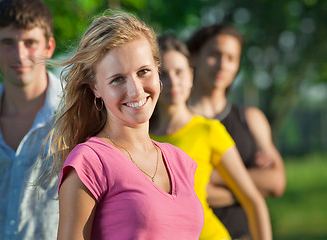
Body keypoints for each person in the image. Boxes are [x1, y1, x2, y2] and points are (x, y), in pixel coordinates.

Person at [46, 11, 204, 240]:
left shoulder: (180, 161)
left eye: (143, 72)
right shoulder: (90, 161)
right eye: (118, 79)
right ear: (95, 88)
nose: (136, 90)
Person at [150, 34, 272, 240]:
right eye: (163, 74)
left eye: (179, 72)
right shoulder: (140, 136)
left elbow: (253, 201)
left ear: (190, 75)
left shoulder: (209, 130)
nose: (173, 81)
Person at [0, 0, 60, 239]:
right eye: (8, 43)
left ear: (49, 47)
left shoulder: (79, 117)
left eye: (30, 43)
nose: (19, 54)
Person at [186, 23, 286, 239]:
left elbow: (276, 182)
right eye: (215, 54)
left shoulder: (250, 118)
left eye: (232, 58)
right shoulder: (174, 124)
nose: (223, 65)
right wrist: (251, 191)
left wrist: (212, 176)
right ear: (193, 57)